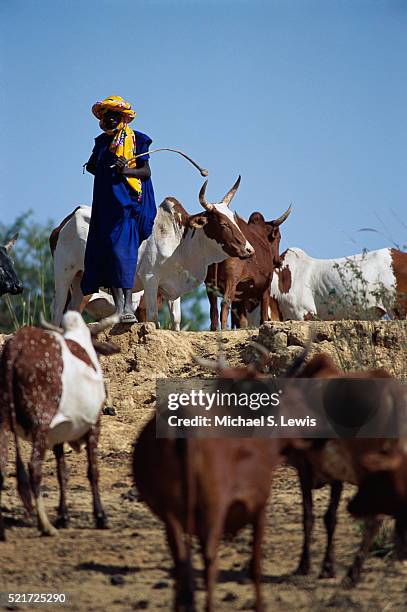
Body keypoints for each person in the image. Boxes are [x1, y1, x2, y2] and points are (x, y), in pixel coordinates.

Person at [81, 95, 156, 323]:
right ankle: (120, 309)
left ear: (123, 117)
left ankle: (128, 309)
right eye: (106, 116)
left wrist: (125, 171)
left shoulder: (138, 140)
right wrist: (104, 167)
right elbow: (94, 167)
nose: (110, 119)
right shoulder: (101, 143)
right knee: (108, 256)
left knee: (121, 253)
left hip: (127, 207)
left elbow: (145, 172)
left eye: (115, 115)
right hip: (105, 208)